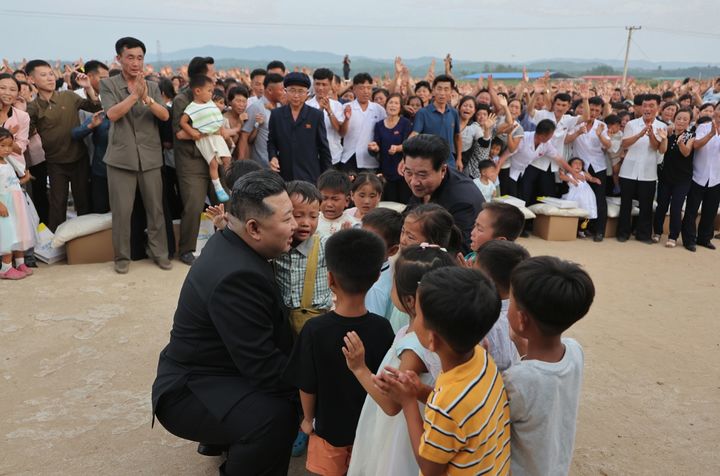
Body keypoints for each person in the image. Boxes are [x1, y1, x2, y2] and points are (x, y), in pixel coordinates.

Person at [152, 171, 299, 476]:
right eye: (287, 219)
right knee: (275, 416)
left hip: (214, 368)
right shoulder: (237, 276)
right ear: (254, 228)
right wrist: (314, 388)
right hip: (189, 389)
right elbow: (262, 367)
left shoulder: (232, 243)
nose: (295, 226)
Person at [377, 267, 511, 476]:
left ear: (432, 339)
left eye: (418, 314)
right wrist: (419, 390)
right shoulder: (481, 358)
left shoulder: (446, 405)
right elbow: (459, 414)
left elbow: (430, 469)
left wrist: (409, 403)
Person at [283, 228, 395, 476]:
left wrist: (307, 419)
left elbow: (307, 384)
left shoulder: (315, 329)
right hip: (369, 431)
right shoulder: (383, 328)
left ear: (330, 279)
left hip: (328, 430)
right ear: (377, 277)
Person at [346, 245, 454, 476]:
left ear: (410, 300)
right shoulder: (435, 332)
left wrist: (359, 368)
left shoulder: (415, 348)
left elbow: (391, 404)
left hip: (402, 431)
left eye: (393, 282)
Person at [504, 256, 595, 476]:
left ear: (522, 320)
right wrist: (519, 340)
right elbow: (545, 375)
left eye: (511, 300)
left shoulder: (515, 379)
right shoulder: (574, 350)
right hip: (556, 466)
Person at [101, 37, 171, 274]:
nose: (135, 62)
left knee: (156, 210)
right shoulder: (108, 85)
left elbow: (164, 115)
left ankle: (159, 253)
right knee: (122, 212)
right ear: (119, 59)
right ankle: (122, 258)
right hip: (121, 159)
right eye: (130, 57)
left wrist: (146, 98)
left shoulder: (151, 86)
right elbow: (112, 114)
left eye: (140, 58)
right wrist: (133, 96)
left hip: (150, 157)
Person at [25, 59, 101, 231]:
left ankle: (86, 240)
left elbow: (96, 106)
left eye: (51, 74)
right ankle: (56, 245)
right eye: (43, 75)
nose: (50, 78)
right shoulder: (33, 108)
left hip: (78, 158)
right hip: (55, 163)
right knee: (57, 204)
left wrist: (88, 87)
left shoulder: (68, 96)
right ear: (31, 80)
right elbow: (25, 135)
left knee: (83, 202)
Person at [171, 56, 218, 266]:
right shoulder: (182, 100)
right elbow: (179, 133)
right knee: (193, 205)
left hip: (212, 158)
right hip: (191, 162)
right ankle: (186, 250)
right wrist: (205, 131)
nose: (214, 79)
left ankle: (227, 244)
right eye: (211, 74)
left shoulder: (211, 96)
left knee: (224, 201)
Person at [403, 134, 485, 254]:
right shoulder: (424, 186)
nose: (414, 182)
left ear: (442, 170)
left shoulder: (462, 201)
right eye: (408, 172)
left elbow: (460, 252)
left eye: (422, 175)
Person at [275, 180, 332, 335]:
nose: (306, 223)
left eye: (313, 216)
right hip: (283, 322)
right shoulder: (275, 247)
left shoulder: (325, 246)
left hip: (317, 322)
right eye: (298, 215)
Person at [617, 94, 668, 243]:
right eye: (645, 105)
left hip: (648, 172)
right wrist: (640, 134)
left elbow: (658, 148)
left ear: (657, 107)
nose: (647, 109)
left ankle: (643, 234)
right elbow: (624, 144)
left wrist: (652, 135)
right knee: (626, 203)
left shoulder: (662, 126)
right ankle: (623, 233)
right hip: (629, 170)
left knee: (646, 205)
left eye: (651, 106)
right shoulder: (631, 124)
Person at [474, 240, 529, 371]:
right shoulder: (522, 308)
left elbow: (503, 364)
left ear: (488, 281)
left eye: (474, 270)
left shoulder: (488, 319)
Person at [268, 72, 332, 183]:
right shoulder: (276, 115)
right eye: (292, 90)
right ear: (285, 91)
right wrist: (273, 157)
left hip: (310, 174)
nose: (296, 95)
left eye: (300, 91)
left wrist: (327, 177)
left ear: (307, 93)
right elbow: (271, 142)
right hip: (284, 174)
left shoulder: (315, 115)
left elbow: (323, 148)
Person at [179, 75, 231, 202]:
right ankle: (218, 187)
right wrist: (191, 132)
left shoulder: (210, 103)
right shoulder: (191, 107)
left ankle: (230, 182)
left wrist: (222, 128)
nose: (211, 94)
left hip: (216, 136)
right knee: (213, 163)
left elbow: (217, 117)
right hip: (204, 139)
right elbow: (183, 122)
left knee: (227, 159)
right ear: (197, 91)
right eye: (209, 91)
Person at [568, 96, 610, 241]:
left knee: (599, 199)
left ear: (600, 112)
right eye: (591, 109)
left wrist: (600, 136)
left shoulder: (601, 126)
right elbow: (567, 140)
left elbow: (608, 145)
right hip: (579, 167)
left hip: (598, 166)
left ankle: (599, 231)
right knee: (578, 196)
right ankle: (577, 229)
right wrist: (578, 132)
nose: (593, 112)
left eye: (597, 110)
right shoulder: (577, 123)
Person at [653, 108, 694, 248]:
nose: (681, 121)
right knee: (661, 206)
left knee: (676, 207)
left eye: (685, 119)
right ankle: (657, 232)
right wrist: (664, 138)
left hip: (683, 180)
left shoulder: (690, 135)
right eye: (679, 118)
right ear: (674, 119)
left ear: (689, 122)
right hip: (666, 177)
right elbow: (662, 150)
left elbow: (686, 153)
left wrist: (680, 143)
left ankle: (673, 236)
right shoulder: (668, 133)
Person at [681, 102, 720, 252]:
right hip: (698, 175)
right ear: (715, 111)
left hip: (716, 178)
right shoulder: (704, 126)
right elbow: (696, 145)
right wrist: (711, 134)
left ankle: (704, 238)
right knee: (692, 210)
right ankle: (689, 240)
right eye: (719, 109)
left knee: (710, 211)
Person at [0, 128, 35, 280]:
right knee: (9, 235)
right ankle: (6, 268)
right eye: (3, 146)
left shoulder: (6, 162)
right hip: (5, 204)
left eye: (9, 145)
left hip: (17, 202)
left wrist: (23, 180)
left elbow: (10, 183)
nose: (7, 150)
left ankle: (20, 263)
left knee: (19, 232)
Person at [410, 75, 462, 169]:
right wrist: (404, 157)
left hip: (449, 163)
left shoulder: (454, 113)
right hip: (428, 163)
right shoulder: (422, 113)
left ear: (451, 92)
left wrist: (459, 159)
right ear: (433, 90)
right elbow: (414, 135)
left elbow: (457, 137)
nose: (442, 93)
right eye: (439, 89)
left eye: (446, 89)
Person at [368, 93, 412, 203]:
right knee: (388, 202)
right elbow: (377, 144)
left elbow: (409, 144)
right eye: (391, 102)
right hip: (385, 170)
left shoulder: (405, 123)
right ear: (386, 106)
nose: (393, 105)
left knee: (403, 202)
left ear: (400, 107)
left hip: (402, 169)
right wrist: (374, 147)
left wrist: (398, 148)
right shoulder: (379, 125)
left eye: (396, 103)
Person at [339, 73, 387, 173]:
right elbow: (341, 133)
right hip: (349, 157)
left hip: (370, 160)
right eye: (361, 88)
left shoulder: (379, 110)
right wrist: (346, 119)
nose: (366, 91)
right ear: (354, 89)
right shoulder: (347, 107)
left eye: (368, 88)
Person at [363, 207, 403, 320]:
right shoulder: (388, 269)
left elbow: (372, 326)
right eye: (361, 235)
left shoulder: (374, 288)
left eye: (372, 242)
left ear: (392, 250)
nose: (362, 244)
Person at [238, 73, 284, 166]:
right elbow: (244, 136)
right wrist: (241, 164)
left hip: (278, 164)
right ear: (270, 90)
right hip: (261, 165)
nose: (283, 92)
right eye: (281, 90)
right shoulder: (256, 107)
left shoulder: (280, 106)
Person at [71, 110, 110, 213]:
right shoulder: (101, 116)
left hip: (123, 172)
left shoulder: (128, 115)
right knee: (100, 210)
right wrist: (91, 126)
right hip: (101, 171)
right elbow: (75, 134)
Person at [306, 68, 346, 166]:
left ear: (330, 85)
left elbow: (340, 130)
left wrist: (329, 111)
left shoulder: (337, 106)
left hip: (334, 155)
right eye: (317, 84)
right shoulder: (306, 105)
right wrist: (319, 110)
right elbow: (308, 130)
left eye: (324, 84)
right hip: (312, 156)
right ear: (313, 84)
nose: (320, 88)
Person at [560, 157, 601, 237]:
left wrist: (594, 179)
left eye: (580, 164)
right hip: (575, 196)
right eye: (575, 163)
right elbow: (562, 177)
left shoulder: (583, 173)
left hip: (587, 196)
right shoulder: (569, 174)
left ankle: (582, 229)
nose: (578, 165)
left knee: (587, 213)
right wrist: (571, 179)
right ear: (569, 166)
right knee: (575, 212)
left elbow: (590, 178)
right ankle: (573, 229)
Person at [316, 169, 358, 236]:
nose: (329, 204)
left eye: (335, 199)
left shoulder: (353, 225)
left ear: (347, 201)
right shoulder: (313, 220)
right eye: (324, 198)